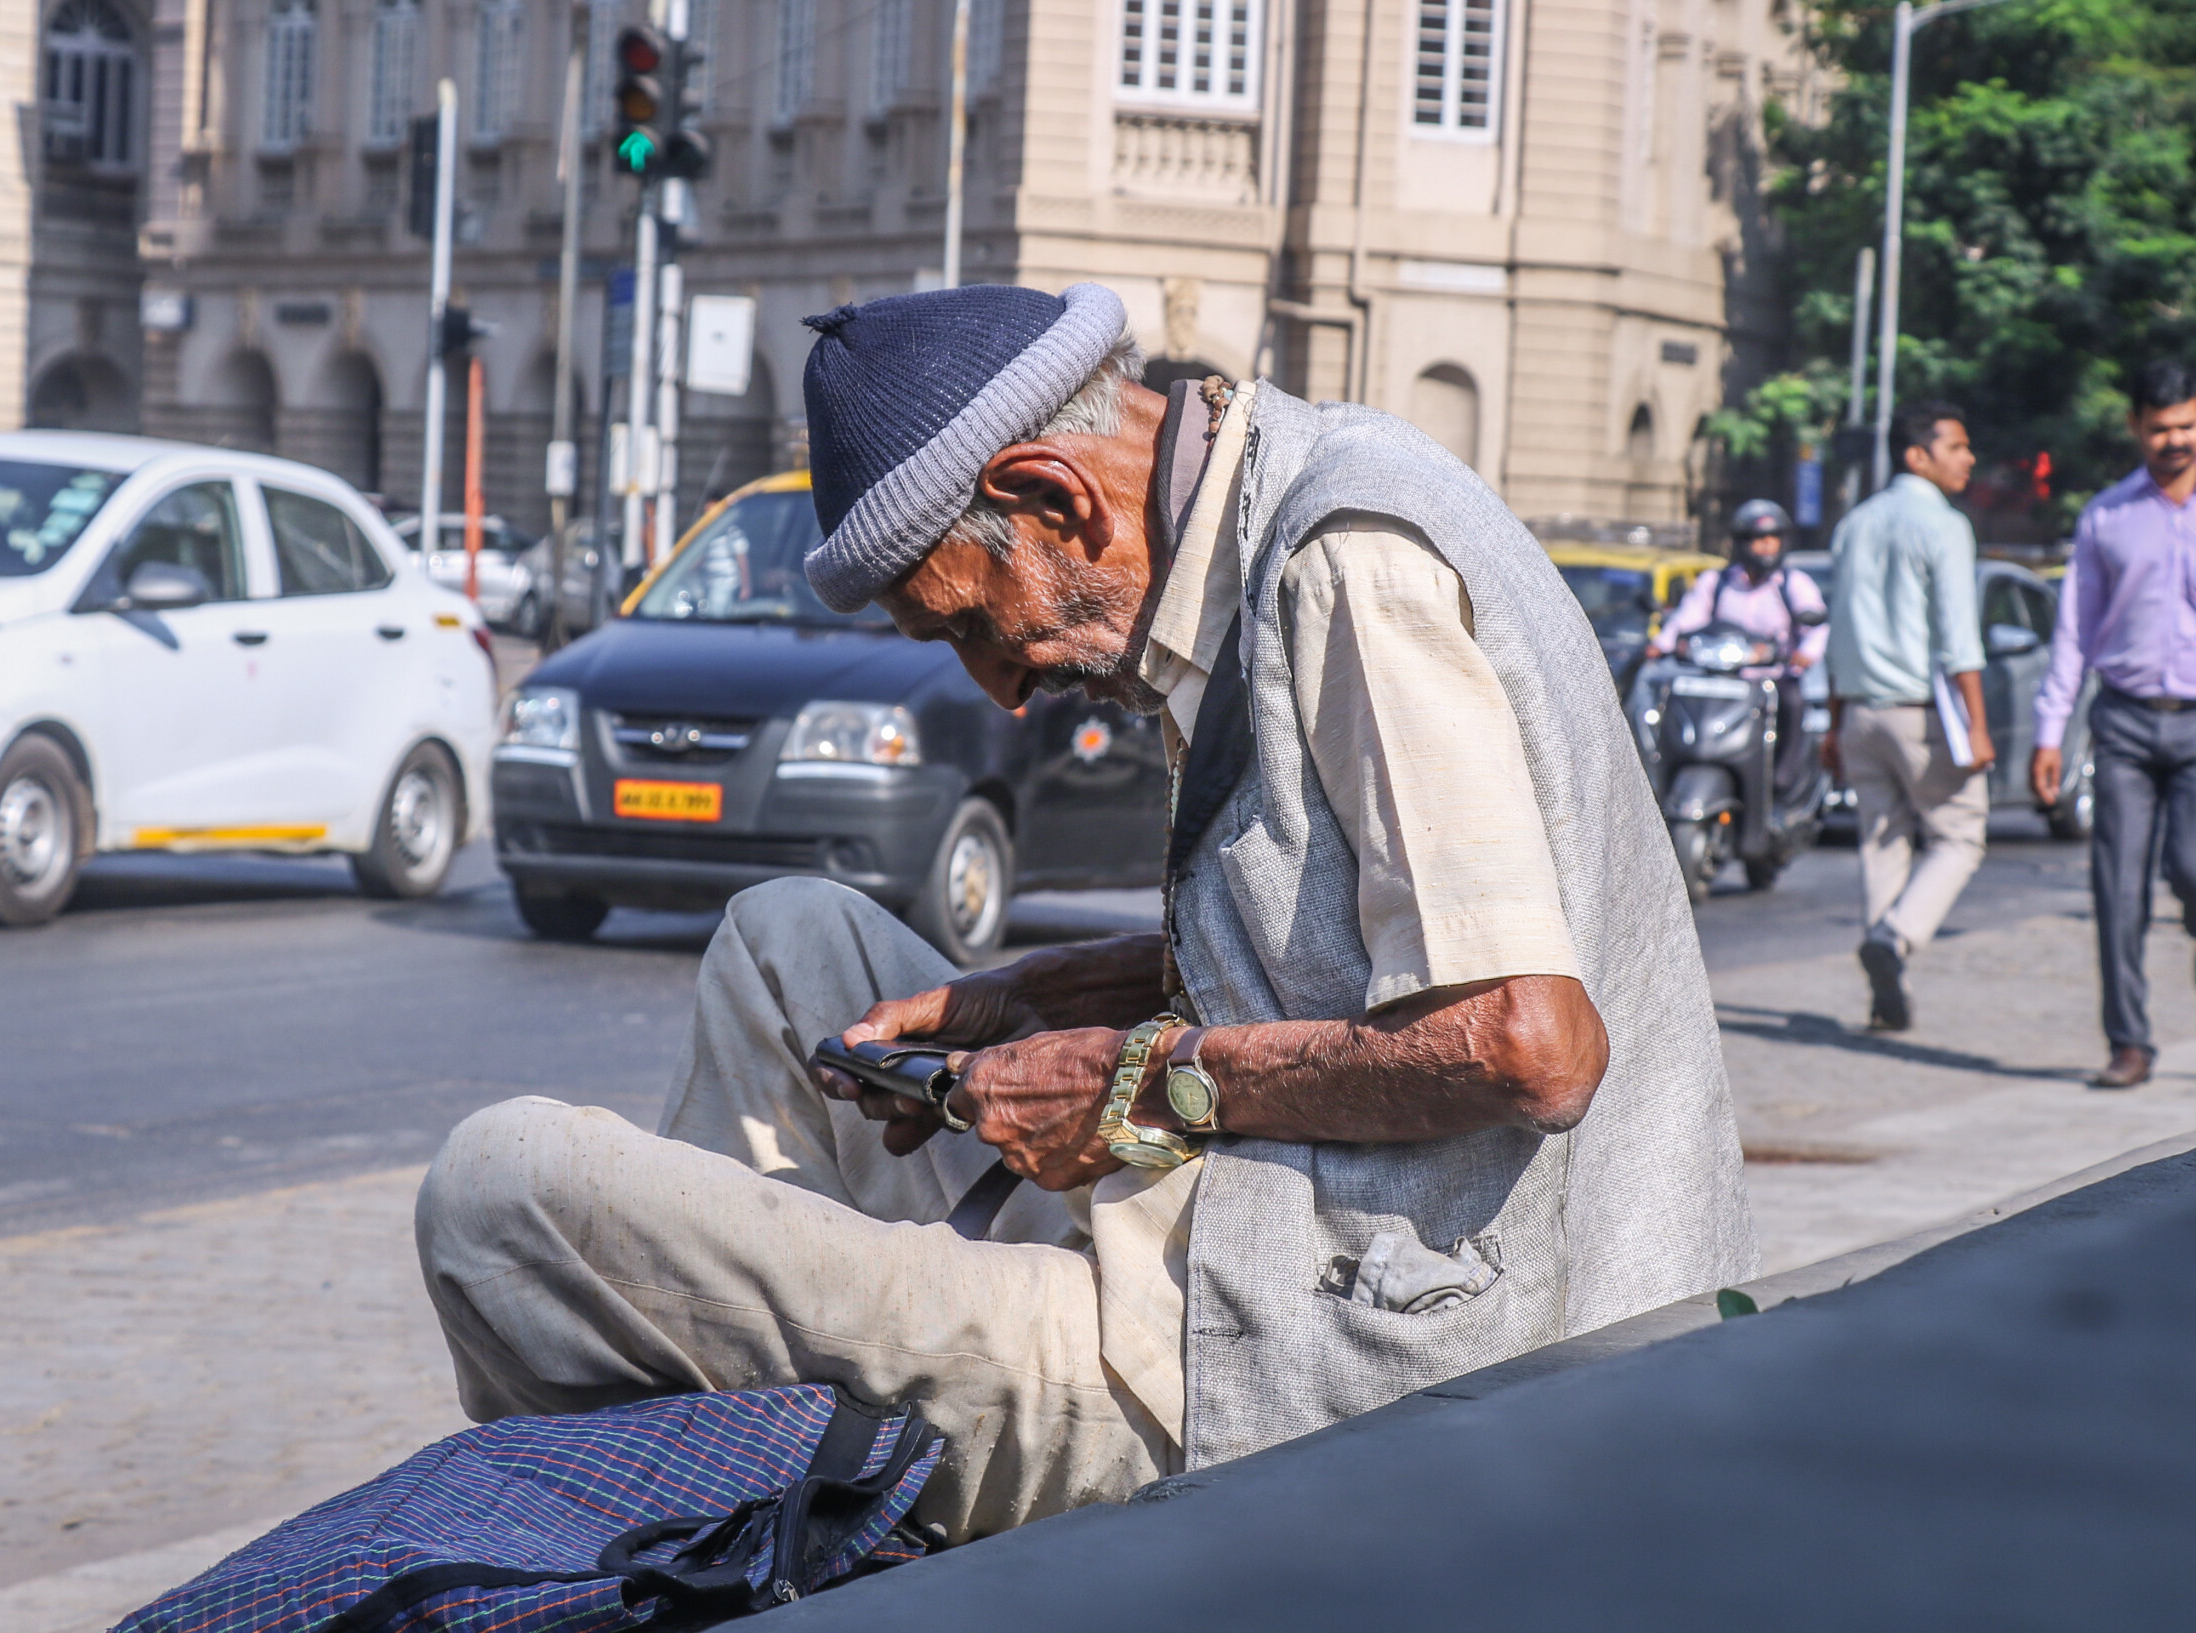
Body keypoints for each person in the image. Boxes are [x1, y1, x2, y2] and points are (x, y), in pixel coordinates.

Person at [414, 283, 1758, 1541]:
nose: (1001, 690)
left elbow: (1526, 1043)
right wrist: (1047, 997)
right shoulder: (1258, 513)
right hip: (1228, 1234)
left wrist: (1134, 1086)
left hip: (1324, 1353)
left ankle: (736, 1498)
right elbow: (1349, 955)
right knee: (788, 940)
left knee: (497, 1189)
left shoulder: (1346, 564)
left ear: (1054, 498)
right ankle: (763, 1471)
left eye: (973, 625)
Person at [2028, 360, 2196, 1089]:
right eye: (2160, 428)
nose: (2176, 441)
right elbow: (2073, 631)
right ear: (2135, 428)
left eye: (2188, 425)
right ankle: (2128, 1043)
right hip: (2124, 721)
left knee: (2191, 870)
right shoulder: (2105, 515)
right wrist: (2048, 730)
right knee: (2117, 889)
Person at [1822, 400, 1996, 1033]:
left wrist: (1833, 722)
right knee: (1960, 835)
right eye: (1956, 447)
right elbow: (1958, 638)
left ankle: (1882, 993)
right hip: (1922, 716)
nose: (1968, 458)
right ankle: (1895, 939)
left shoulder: (1855, 523)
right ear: (1916, 455)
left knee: (1882, 842)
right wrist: (1977, 724)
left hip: (1860, 713)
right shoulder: (1943, 524)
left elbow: (1836, 631)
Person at [1654, 497, 1828, 785]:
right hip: (1721, 678)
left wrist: (1805, 653)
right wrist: (1662, 643)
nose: (1766, 545)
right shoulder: (1718, 582)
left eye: (1772, 538)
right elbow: (1687, 617)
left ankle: (1783, 778)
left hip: (1770, 678)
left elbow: (1817, 625)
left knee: (1793, 702)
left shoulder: (1793, 584)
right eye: (1758, 539)